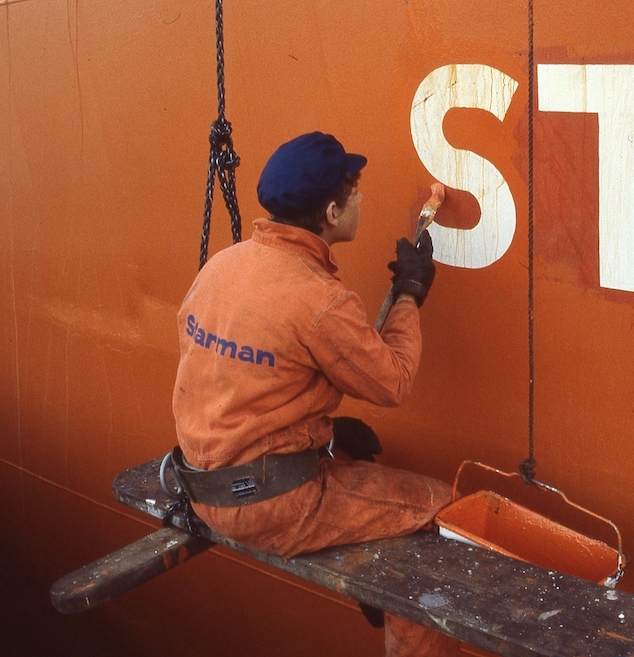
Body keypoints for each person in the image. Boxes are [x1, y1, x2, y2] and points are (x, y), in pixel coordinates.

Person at [171, 131, 460, 657]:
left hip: (203, 484)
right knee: (442, 517)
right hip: (268, 506)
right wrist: (411, 294)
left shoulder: (223, 266)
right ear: (331, 211)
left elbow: (242, 373)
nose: (362, 198)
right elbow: (392, 381)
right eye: (355, 190)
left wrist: (318, 429)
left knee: (356, 455)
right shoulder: (318, 299)